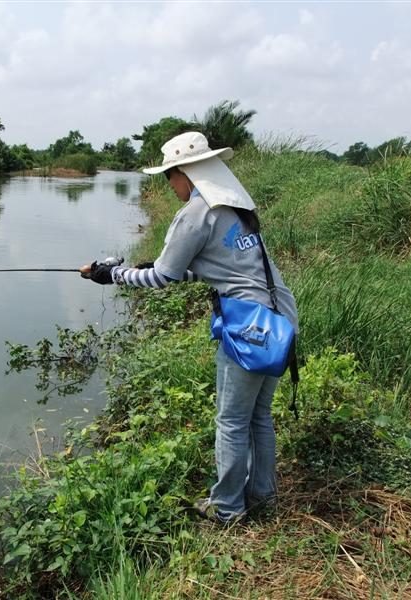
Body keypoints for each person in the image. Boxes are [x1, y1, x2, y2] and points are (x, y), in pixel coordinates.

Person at [82, 131, 298, 524]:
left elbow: (163, 279)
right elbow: (218, 268)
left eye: (170, 176)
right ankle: (262, 497)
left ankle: (228, 509)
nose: (170, 185)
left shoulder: (197, 212)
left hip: (250, 328)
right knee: (258, 417)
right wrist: (147, 268)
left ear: (185, 172)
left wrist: (112, 275)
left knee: (231, 421)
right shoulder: (234, 206)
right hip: (280, 317)